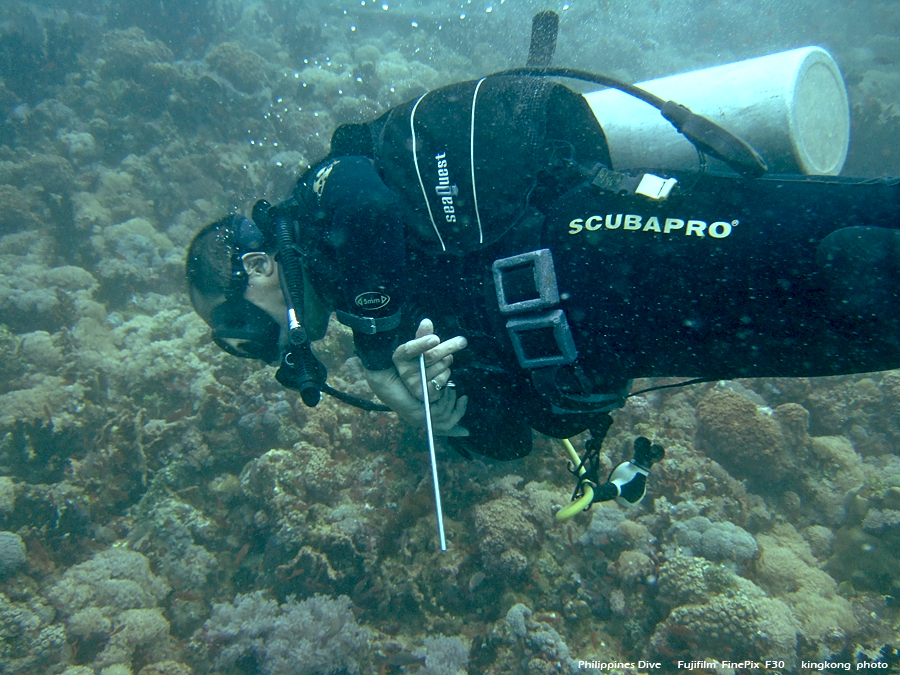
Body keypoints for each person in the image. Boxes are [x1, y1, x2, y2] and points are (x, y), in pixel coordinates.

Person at [185, 70, 900, 508]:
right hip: (630, 334)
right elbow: (510, 440)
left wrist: (378, 358)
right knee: (851, 328)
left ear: (257, 268)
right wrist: (439, 415)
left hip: (600, 241)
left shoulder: (323, 204)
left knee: (846, 255)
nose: (257, 348)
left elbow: (364, 202)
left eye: (238, 330)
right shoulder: (376, 296)